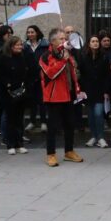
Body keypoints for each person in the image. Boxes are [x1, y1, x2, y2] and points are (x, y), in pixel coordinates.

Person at [39, 28, 84, 167]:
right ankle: (51, 154)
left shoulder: (67, 54)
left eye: (65, 38)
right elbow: (51, 73)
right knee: (52, 127)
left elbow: (73, 73)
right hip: (54, 97)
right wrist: (63, 61)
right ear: (52, 42)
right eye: (62, 39)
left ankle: (69, 151)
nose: (65, 41)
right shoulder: (45, 56)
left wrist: (77, 89)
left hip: (68, 95)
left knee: (70, 125)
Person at [0, 36, 37, 155]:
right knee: (9, 120)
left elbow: (29, 73)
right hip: (7, 94)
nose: (20, 47)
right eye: (17, 45)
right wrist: (7, 85)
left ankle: (19, 143)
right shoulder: (2, 58)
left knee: (19, 119)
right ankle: (10, 144)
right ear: (10, 46)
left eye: (21, 45)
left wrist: (26, 86)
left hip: (21, 93)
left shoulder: (23, 58)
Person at [79, 35, 111, 148]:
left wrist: (106, 91)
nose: (95, 43)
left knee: (98, 113)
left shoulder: (104, 57)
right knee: (91, 114)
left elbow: (108, 75)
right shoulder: (83, 57)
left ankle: (101, 137)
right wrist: (81, 90)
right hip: (88, 90)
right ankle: (93, 136)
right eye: (93, 41)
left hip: (100, 90)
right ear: (89, 43)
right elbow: (81, 75)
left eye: (97, 41)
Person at [24, 25, 49, 132]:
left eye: (32, 32)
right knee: (32, 101)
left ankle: (43, 122)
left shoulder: (45, 45)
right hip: (30, 77)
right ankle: (32, 121)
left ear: (37, 33)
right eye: (28, 32)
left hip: (42, 76)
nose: (30, 34)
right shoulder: (25, 46)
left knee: (42, 100)